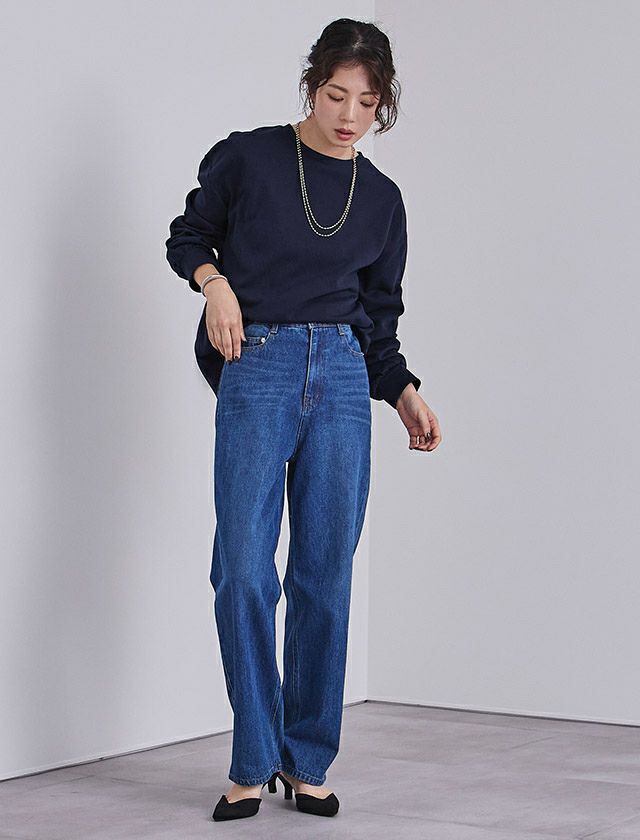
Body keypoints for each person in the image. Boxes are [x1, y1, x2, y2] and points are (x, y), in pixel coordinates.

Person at [165, 17, 442, 822]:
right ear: (312, 84)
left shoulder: (382, 200)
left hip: (346, 378)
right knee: (243, 569)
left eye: (367, 102)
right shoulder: (248, 158)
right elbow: (188, 236)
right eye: (335, 95)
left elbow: (380, 318)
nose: (349, 115)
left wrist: (403, 391)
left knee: (325, 573)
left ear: (383, 103)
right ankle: (253, 758)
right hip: (260, 363)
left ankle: (306, 757)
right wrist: (217, 286)